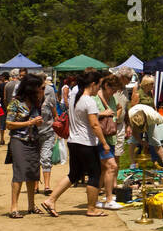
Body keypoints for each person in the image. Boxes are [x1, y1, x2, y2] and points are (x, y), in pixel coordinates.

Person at [41, 70, 111, 218]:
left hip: (73, 141)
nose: (99, 89)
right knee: (94, 174)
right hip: (86, 143)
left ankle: (50, 200)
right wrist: (104, 143)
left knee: (74, 174)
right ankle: (92, 208)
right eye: (99, 85)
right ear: (93, 84)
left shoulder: (74, 98)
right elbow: (95, 125)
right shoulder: (89, 101)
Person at [6, 72, 46, 217]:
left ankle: (31, 205)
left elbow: (36, 121)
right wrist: (29, 122)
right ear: (30, 88)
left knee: (33, 173)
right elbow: (9, 124)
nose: (41, 90)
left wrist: (37, 123)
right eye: (39, 87)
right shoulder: (15, 102)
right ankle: (14, 207)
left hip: (33, 140)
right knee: (19, 172)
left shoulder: (37, 102)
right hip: (18, 140)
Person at [94, 72, 123, 209]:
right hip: (99, 139)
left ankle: (96, 198)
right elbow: (87, 115)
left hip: (110, 137)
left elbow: (118, 108)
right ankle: (109, 199)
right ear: (106, 85)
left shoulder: (111, 98)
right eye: (113, 89)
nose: (114, 93)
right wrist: (103, 114)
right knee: (112, 166)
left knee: (103, 170)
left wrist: (114, 119)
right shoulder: (94, 98)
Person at [37, 74, 61, 195]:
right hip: (34, 133)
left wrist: (58, 125)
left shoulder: (50, 92)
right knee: (35, 159)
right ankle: (35, 185)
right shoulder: (30, 98)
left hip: (48, 131)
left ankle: (47, 186)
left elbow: (54, 109)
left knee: (45, 158)